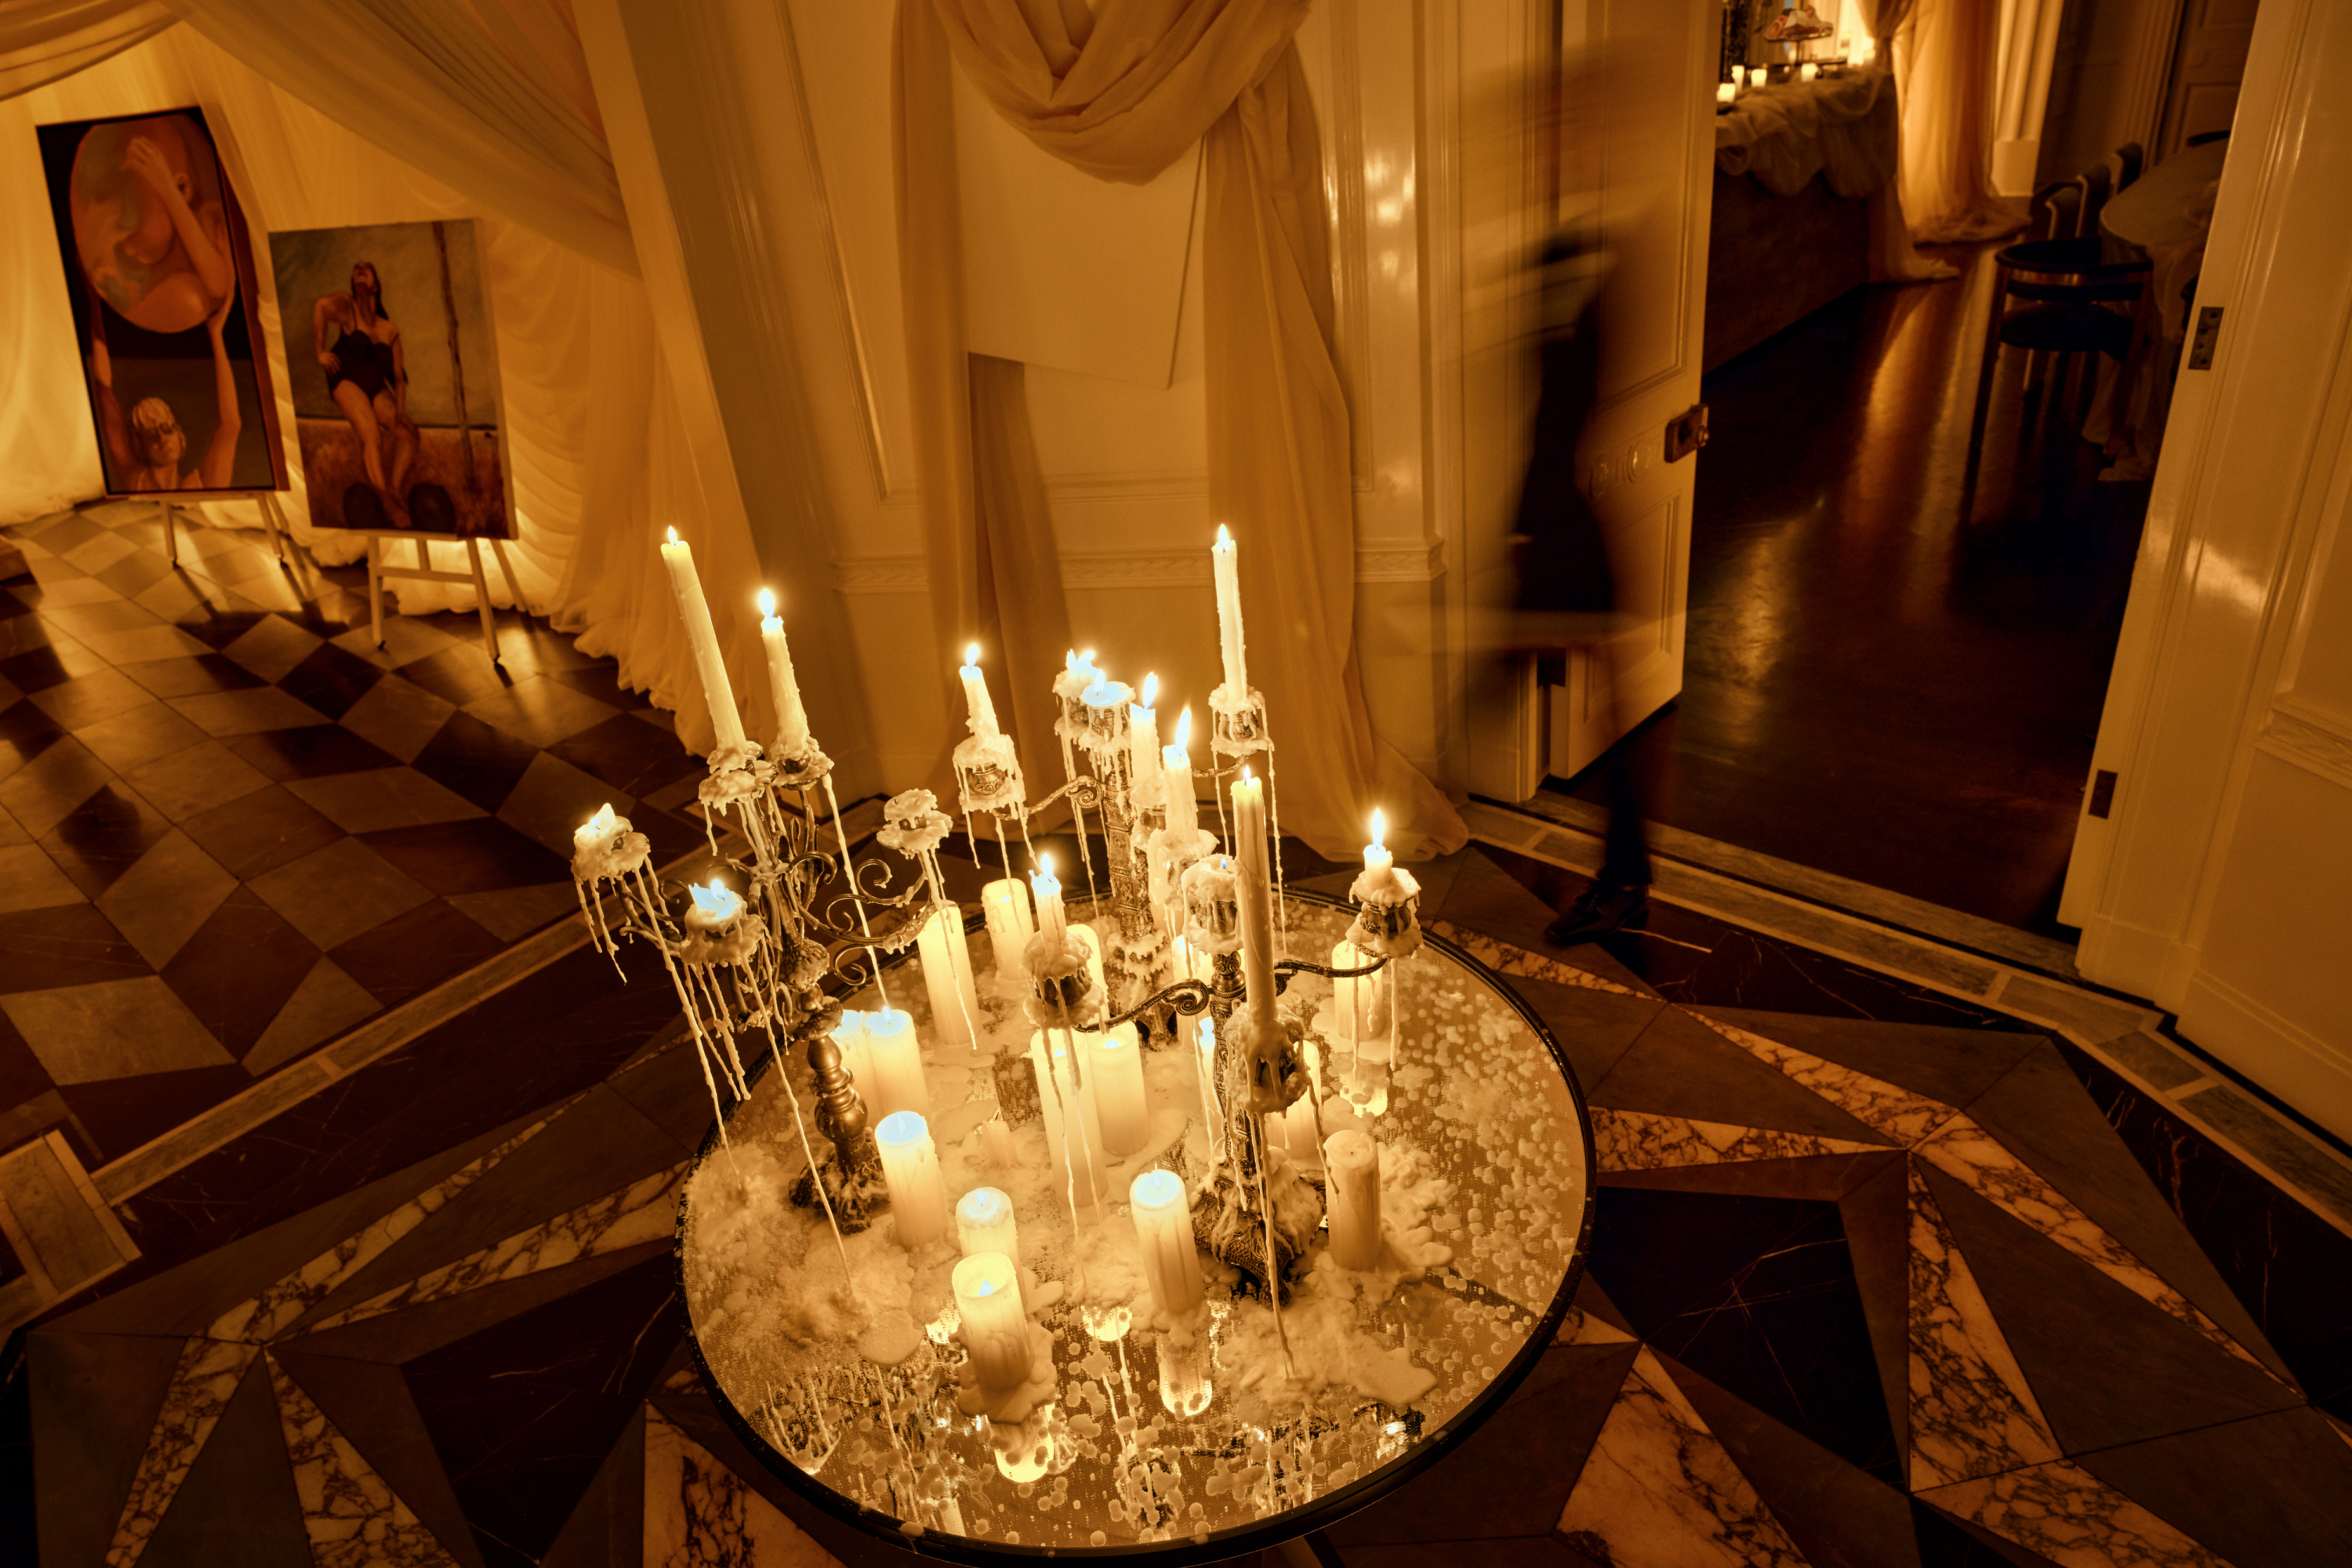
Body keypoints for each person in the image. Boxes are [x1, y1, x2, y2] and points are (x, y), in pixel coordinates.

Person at [1509, 222, 1654, 946]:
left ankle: (1625, 885)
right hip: (1557, 533)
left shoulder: (1575, 332)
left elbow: (1553, 432)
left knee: (1608, 722)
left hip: (1565, 540)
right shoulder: (1569, 328)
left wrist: (1525, 534)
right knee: (1506, 676)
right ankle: (1626, 882)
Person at [70, 116, 235, 335]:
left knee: (190, 299)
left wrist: (167, 188)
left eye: (131, 224)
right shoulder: (146, 274)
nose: (128, 250)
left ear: (182, 189)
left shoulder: (209, 219)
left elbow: (219, 285)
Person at [92, 278, 241, 492]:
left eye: (167, 429)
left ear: (180, 437)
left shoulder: (204, 484)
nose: (162, 439)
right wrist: (94, 302)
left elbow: (231, 424)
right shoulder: (134, 482)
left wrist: (216, 335)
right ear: (141, 448)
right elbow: (104, 390)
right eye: (151, 435)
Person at [314, 260, 417, 525]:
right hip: (346, 378)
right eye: (356, 268)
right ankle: (386, 501)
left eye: (367, 268)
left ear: (376, 286)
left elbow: (398, 377)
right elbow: (321, 307)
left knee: (408, 434)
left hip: (375, 388)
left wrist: (401, 410)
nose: (360, 269)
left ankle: (393, 489)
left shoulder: (390, 329)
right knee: (372, 435)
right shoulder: (347, 306)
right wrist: (320, 351)